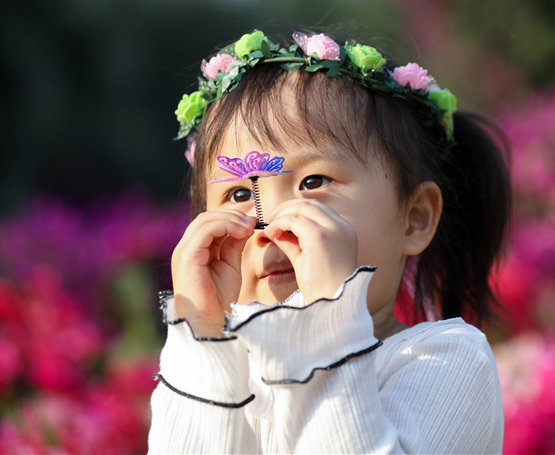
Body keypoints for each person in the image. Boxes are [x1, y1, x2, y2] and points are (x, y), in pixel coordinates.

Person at [148, 27, 511, 454]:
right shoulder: (223, 377)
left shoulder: (444, 361)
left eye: (313, 182)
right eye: (241, 194)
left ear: (414, 219)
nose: (271, 224)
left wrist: (328, 315)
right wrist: (203, 339)